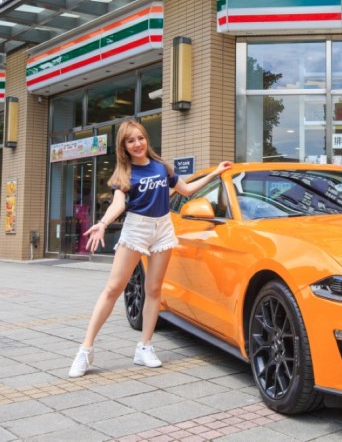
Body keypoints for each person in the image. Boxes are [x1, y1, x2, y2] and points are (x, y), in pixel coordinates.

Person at [69, 119, 232, 378]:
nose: (137, 144)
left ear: (146, 139)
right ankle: (85, 349)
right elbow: (118, 204)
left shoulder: (161, 166)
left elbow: (186, 189)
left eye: (140, 138)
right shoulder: (124, 173)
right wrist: (102, 223)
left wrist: (214, 174)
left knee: (154, 289)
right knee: (113, 289)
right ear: (124, 146)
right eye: (130, 140)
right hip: (137, 228)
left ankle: (144, 347)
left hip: (163, 228)